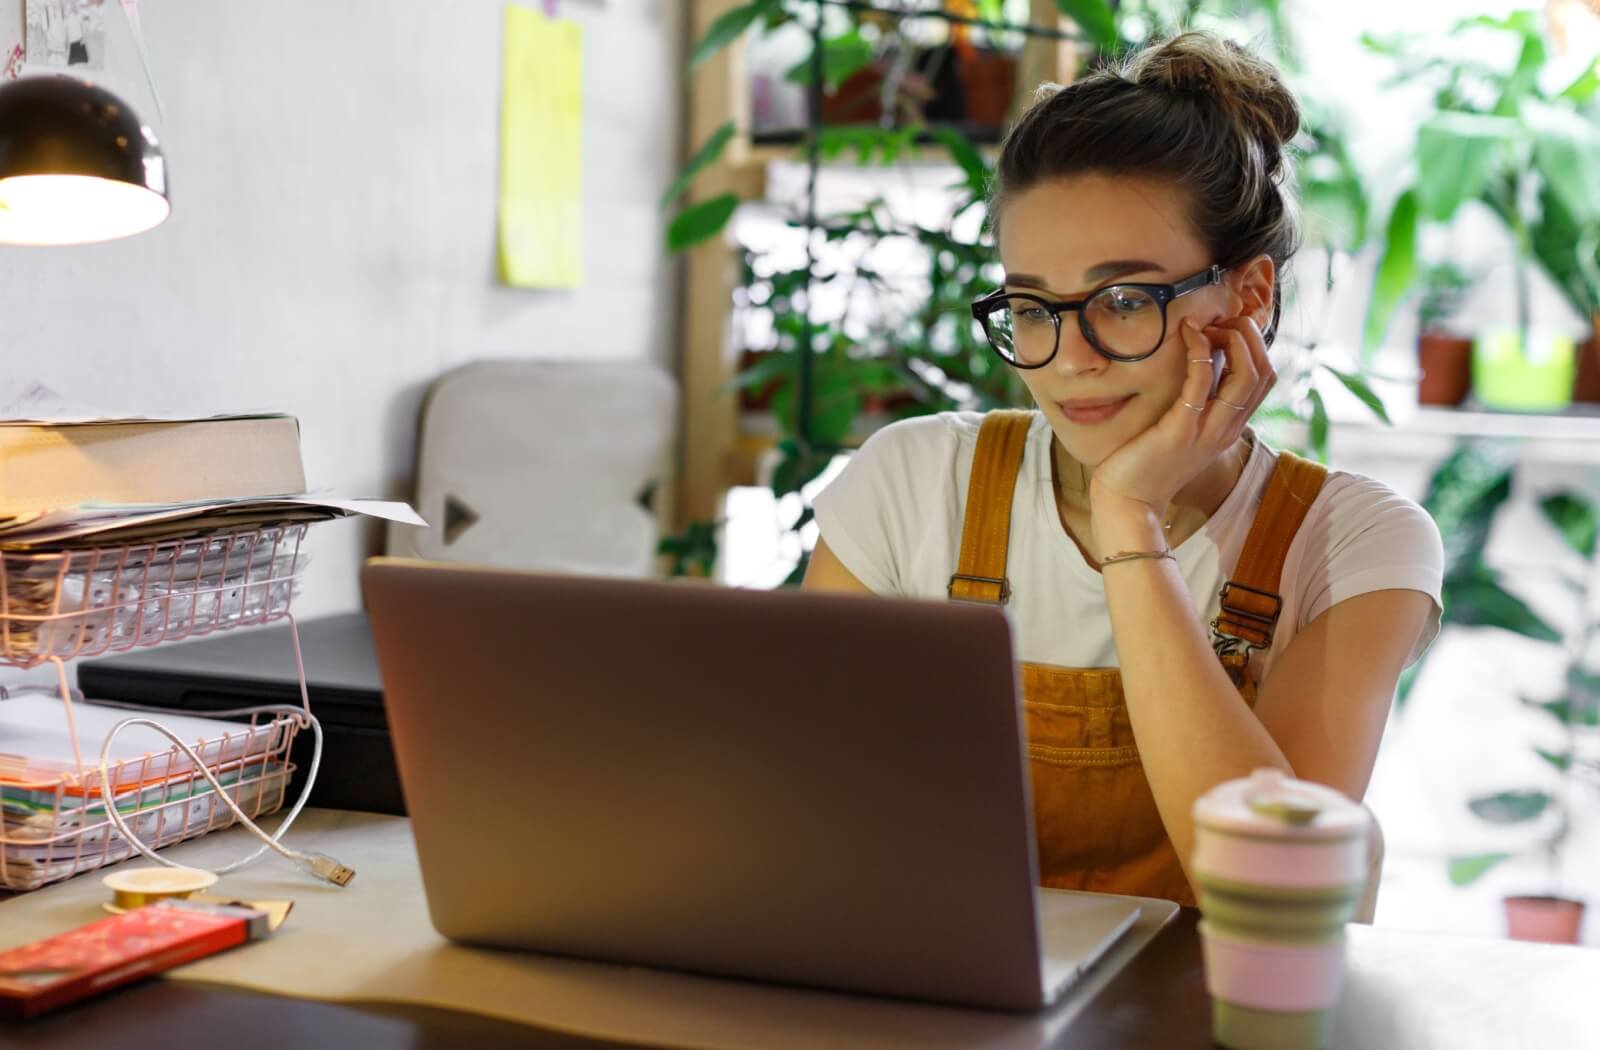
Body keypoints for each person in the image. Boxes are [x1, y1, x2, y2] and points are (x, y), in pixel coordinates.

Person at [803, 31, 1444, 906]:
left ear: (1248, 296)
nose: (1067, 358)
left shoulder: (1355, 545)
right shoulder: (915, 480)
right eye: (1032, 307)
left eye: (1124, 300)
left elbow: (1278, 887)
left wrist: (1130, 520)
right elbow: (806, 812)